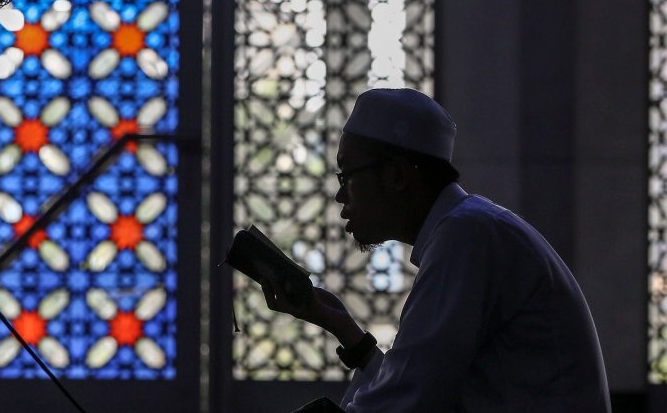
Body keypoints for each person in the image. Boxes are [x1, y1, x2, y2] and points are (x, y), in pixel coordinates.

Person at [260, 88, 611, 412]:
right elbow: (415, 384)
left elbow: (408, 402)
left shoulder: (466, 235)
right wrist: (342, 328)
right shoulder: (471, 227)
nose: (340, 195)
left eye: (347, 176)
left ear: (398, 175)